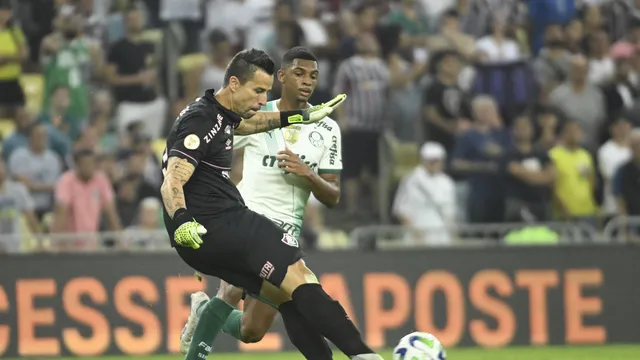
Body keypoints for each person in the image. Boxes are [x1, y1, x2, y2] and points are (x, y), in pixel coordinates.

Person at [160, 48, 378, 360]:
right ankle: (363, 355)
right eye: (258, 91)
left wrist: (299, 117)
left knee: (276, 307)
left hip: (205, 236)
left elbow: (249, 125)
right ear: (234, 83)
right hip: (222, 224)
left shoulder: (220, 114)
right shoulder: (202, 119)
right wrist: (181, 220)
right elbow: (172, 179)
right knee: (300, 278)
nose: (263, 100)